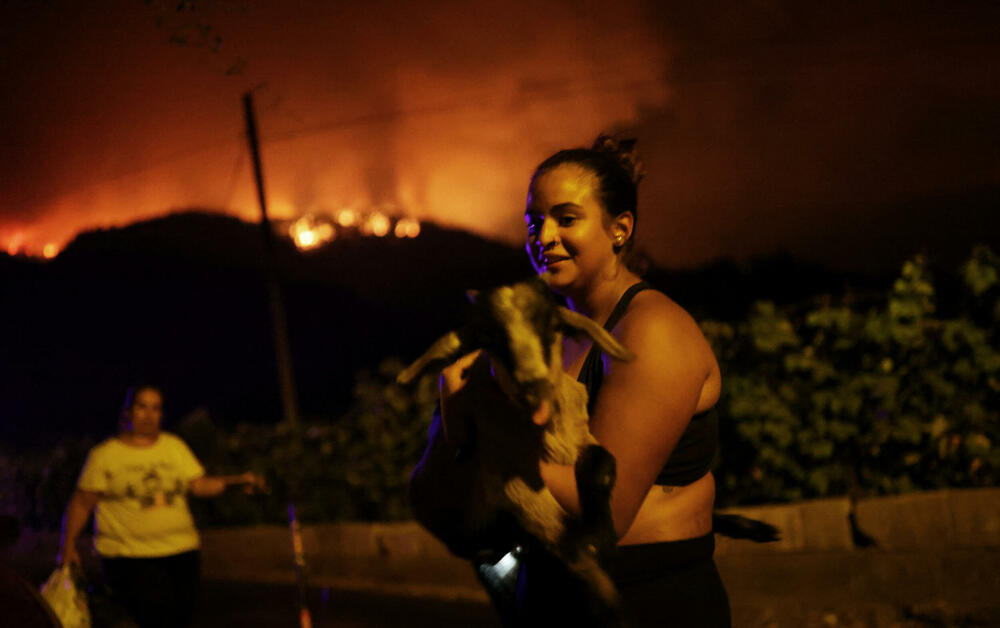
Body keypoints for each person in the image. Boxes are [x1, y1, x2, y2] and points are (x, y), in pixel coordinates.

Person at [412, 136, 729, 626]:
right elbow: (447, 498)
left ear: (620, 228)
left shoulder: (652, 331)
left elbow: (605, 507)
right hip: (549, 596)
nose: (545, 236)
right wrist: (454, 416)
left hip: (645, 600)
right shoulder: (543, 338)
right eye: (534, 222)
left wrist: (486, 433)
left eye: (566, 218)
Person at [57, 384, 266, 628]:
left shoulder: (173, 447)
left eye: (155, 408)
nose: (148, 414)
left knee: (180, 619)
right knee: (151, 619)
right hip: (129, 559)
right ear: (128, 412)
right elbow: (82, 502)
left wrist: (237, 482)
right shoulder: (105, 455)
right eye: (142, 406)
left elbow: (198, 485)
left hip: (181, 553)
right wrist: (68, 545)